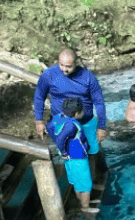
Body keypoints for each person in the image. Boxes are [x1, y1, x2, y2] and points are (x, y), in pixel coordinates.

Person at [34, 48, 108, 188]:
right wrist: (39, 120)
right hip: (62, 124)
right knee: (69, 155)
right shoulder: (49, 75)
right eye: (61, 65)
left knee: (91, 151)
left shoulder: (88, 77)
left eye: (69, 66)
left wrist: (102, 127)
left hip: (86, 123)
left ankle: (90, 182)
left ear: (77, 63)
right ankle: (75, 184)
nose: (64, 69)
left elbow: (99, 102)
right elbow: (39, 97)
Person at [45, 97, 98, 214]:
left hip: (70, 158)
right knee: (85, 184)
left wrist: (63, 152)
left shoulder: (58, 118)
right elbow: (60, 140)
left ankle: (83, 201)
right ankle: (85, 207)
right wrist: (65, 153)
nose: (84, 112)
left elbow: (49, 128)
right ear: (76, 113)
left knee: (77, 181)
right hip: (77, 158)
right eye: (82, 111)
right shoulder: (71, 125)